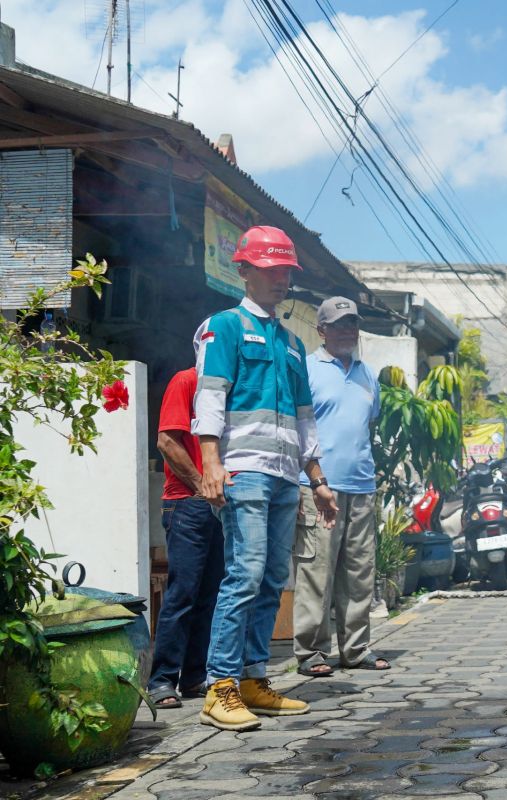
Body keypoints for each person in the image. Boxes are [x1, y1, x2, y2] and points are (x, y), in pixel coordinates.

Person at [194, 225, 338, 731]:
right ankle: (220, 687)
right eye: (272, 269)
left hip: (283, 477)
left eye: (286, 271)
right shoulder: (224, 327)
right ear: (244, 270)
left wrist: (317, 479)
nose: (282, 279)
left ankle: (254, 680)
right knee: (245, 573)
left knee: (275, 578)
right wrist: (210, 462)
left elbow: (304, 418)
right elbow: (210, 394)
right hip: (244, 472)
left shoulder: (292, 343)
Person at [293, 297, 389, 678]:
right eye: (339, 325)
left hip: (361, 487)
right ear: (322, 330)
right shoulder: (307, 369)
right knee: (316, 571)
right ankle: (311, 651)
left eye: (352, 324)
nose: (348, 331)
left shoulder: (368, 375)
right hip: (318, 488)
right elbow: (298, 430)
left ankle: (356, 649)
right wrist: (312, 480)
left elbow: (367, 424)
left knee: (359, 572)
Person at [146, 364, 225, 710]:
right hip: (187, 503)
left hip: (220, 504)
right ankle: (162, 679)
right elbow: (166, 441)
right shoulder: (186, 380)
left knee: (210, 594)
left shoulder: (228, 386)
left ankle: (194, 676)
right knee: (183, 592)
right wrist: (200, 484)